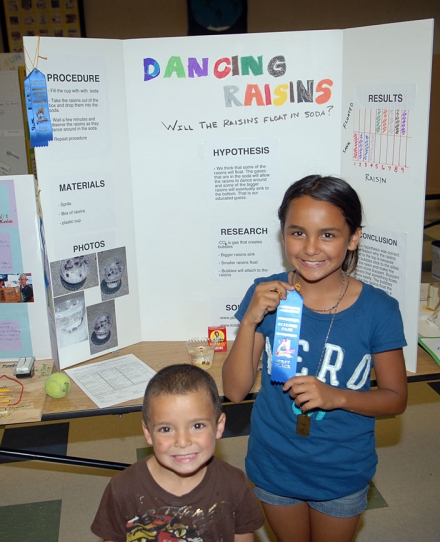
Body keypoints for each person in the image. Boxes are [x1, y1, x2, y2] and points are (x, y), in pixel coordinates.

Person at [222, 175, 407, 542]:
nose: (310, 248)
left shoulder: (379, 310)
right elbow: (235, 390)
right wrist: (250, 319)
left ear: (353, 238)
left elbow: (395, 398)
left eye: (328, 234)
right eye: (297, 232)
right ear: (282, 235)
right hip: (274, 459)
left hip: (341, 467)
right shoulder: (267, 295)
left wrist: (336, 396)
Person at [91, 364, 264, 541]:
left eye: (197, 426)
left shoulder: (234, 484)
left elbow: (242, 535)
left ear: (219, 427)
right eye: (166, 429)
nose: (182, 442)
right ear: (148, 433)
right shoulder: (122, 489)